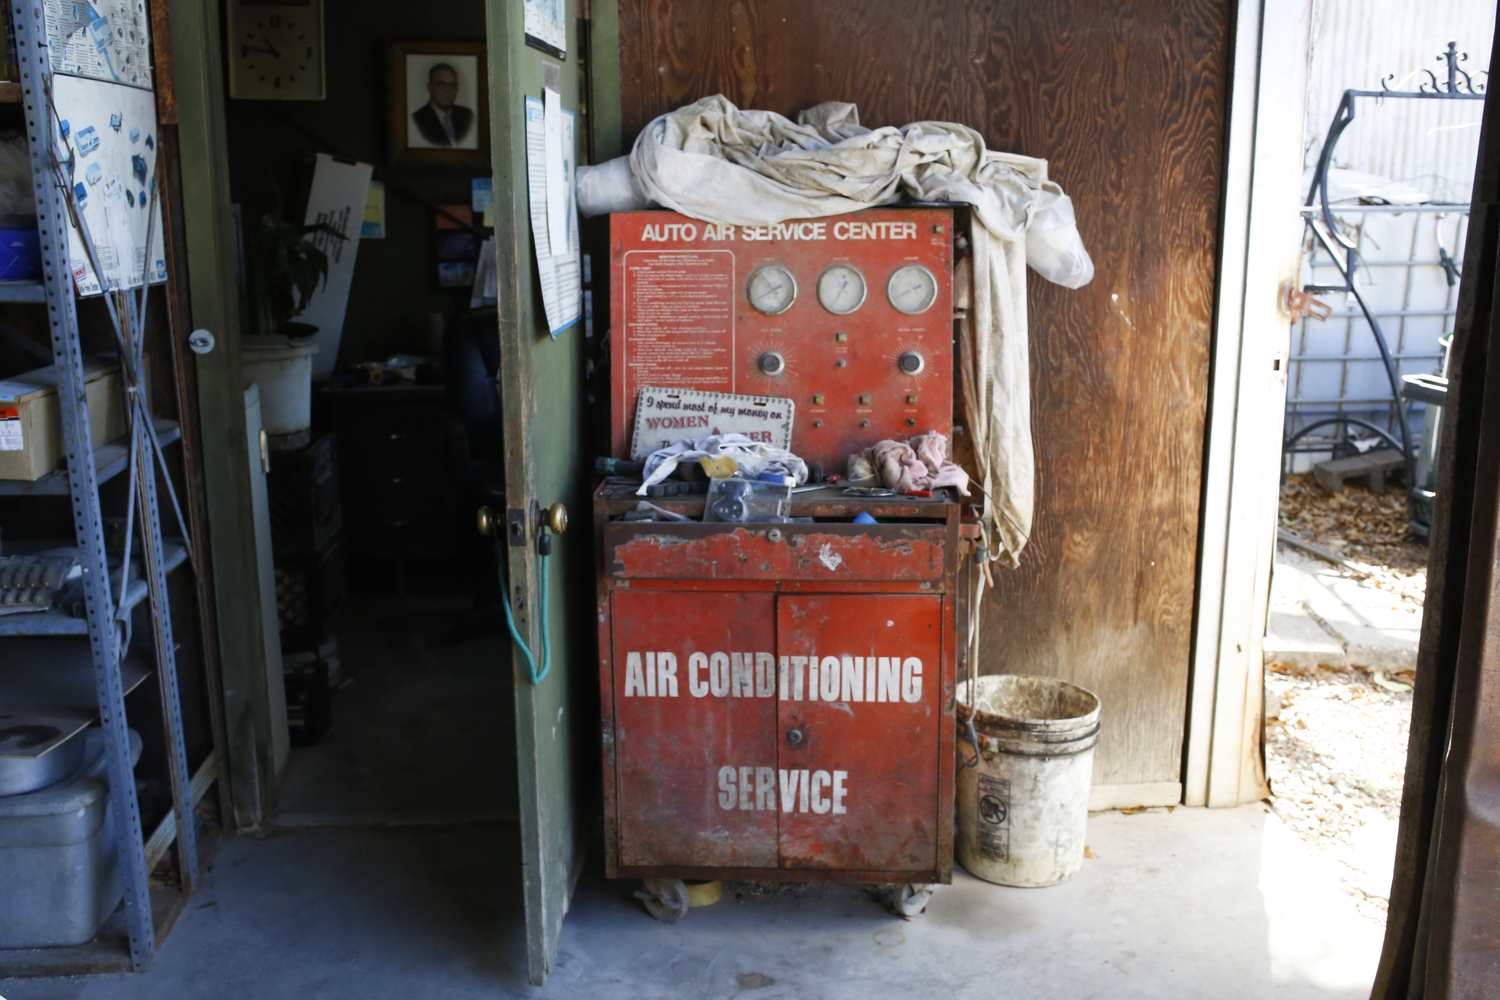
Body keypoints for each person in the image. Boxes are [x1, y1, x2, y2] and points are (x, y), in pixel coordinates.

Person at [411, 63, 474, 148]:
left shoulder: (467, 115)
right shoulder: (417, 119)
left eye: (452, 85)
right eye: (441, 85)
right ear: (430, 87)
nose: (447, 90)